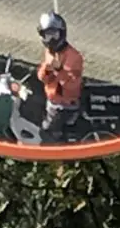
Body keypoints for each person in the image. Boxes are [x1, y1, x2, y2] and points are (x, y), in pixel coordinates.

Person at [36, 11, 84, 141]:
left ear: (61, 34)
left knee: (46, 133)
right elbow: (43, 78)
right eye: (47, 35)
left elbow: (72, 86)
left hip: (64, 105)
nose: (51, 40)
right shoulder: (49, 52)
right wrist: (47, 69)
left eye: (54, 35)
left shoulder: (74, 57)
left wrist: (58, 69)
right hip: (51, 101)